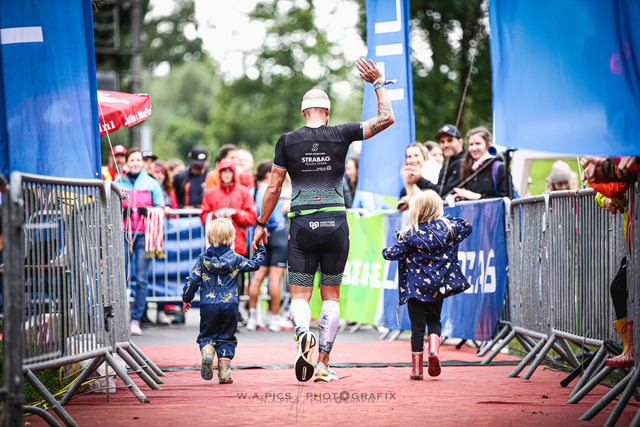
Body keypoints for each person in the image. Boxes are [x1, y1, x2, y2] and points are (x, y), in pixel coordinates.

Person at [252, 58, 395, 382]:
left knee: (300, 296)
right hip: (335, 224)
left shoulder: (287, 140)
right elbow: (387, 118)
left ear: (303, 113)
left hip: (302, 225)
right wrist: (377, 83)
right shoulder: (341, 133)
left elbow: (273, 187)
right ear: (327, 112)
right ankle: (323, 365)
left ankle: (303, 333)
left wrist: (261, 225)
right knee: (331, 296)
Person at [382, 190, 472, 379]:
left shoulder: (408, 236)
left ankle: (416, 370)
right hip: (438, 287)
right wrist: (443, 220)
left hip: (415, 289)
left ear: (414, 210)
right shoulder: (449, 230)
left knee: (417, 328)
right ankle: (433, 350)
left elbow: (390, 254)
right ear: (438, 209)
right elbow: (466, 225)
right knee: (434, 321)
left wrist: (387, 249)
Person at [183, 218, 266, 383]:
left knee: (208, 335)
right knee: (227, 337)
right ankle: (224, 373)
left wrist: (187, 298)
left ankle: (208, 353)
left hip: (208, 305)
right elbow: (255, 264)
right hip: (230, 305)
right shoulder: (236, 259)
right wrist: (261, 247)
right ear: (232, 238)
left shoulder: (202, 260)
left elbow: (192, 281)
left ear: (209, 238)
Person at [114, 148, 165, 336]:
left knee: (142, 279)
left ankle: (136, 319)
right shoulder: (117, 183)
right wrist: (119, 211)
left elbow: (162, 208)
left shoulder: (152, 184)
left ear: (142, 163)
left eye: (138, 160)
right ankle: (120, 318)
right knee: (120, 277)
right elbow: (108, 205)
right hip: (123, 234)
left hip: (145, 236)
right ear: (126, 163)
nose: (135, 163)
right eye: (132, 160)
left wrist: (149, 211)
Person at [247, 159, 292, 332]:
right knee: (274, 279)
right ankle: (274, 319)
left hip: (260, 234)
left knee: (257, 277)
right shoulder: (271, 189)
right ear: (269, 174)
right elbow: (273, 215)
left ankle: (252, 318)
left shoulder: (253, 190)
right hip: (277, 233)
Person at [453, 127, 509, 200]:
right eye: (471, 144)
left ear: (488, 145)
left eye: (478, 144)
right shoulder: (467, 167)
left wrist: (478, 197)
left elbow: (507, 199)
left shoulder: (499, 167)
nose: (474, 148)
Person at [397, 143, 433, 211]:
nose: (413, 160)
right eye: (409, 156)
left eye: (416, 155)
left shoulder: (434, 174)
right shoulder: (408, 180)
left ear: (424, 157)